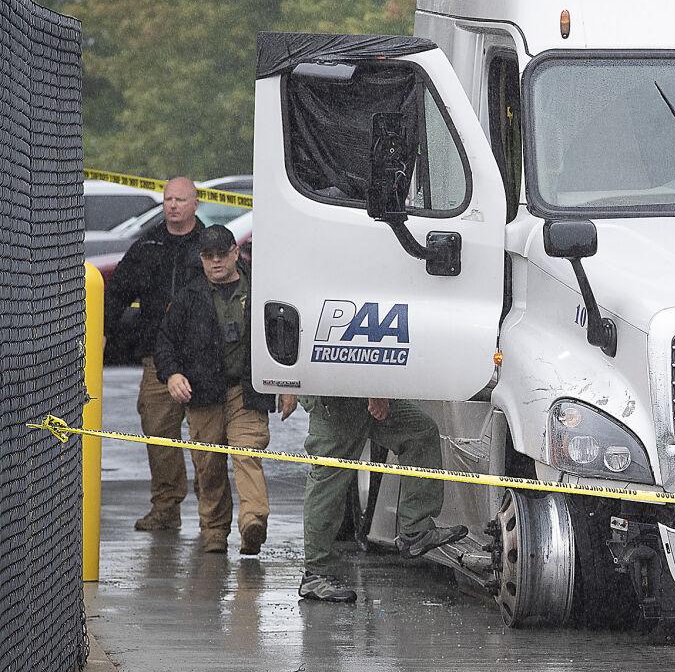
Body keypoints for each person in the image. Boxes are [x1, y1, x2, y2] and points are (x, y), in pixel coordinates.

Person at [155, 224, 272, 554]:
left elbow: (283, 335)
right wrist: (173, 375)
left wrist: (288, 384)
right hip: (203, 393)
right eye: (209, 256)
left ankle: (253, 521)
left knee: (247, 453)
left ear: (236, 252)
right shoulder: (189, 297)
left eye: (223, 254)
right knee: (208, 465)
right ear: (202, 259)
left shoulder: (261, 290)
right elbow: (165, 342)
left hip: (246, 390)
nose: (216, 261)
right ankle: (214, 530)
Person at [294, 394, 468, 603]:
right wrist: (374, 393)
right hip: (337, 397)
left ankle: (415, 531)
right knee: (329, 481)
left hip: (356, 393)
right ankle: (315, 574)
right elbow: (354, 361)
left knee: (418, 432)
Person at [105, 176, 204, 531]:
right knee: (159, 436)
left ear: (195, 203)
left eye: (180, 200)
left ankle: (213, 520)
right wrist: (103, 333)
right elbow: (116, 294)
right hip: (156, 359)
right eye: (167, 200)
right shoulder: (147, 246)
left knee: (207, 443)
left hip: (203, 359)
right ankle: (165, 509)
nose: (173, 206)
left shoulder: (208, 247)